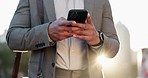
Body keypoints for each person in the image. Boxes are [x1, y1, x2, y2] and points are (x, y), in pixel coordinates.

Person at [6, 0, 120, 78]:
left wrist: (97, 39)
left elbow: (114, 48)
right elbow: (12, 38)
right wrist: (48, 32)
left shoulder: (101, 1)